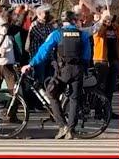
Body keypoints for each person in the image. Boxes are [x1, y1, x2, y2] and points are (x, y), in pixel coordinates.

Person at [22, 11, 91, 139]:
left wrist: (31, 64)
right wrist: (84, 67)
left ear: (62, 22)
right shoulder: (83, 35)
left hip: (62, 71)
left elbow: (44, 50)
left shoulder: (56, 34)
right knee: (74, 99)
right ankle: (71, 130)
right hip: (77, 70)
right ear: (74, 21)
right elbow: (87, 55)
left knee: (51, 93)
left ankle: (62, 125)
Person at [92, 12, 119, 119]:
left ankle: (108, 111)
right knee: (100, 87)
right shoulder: (99, 27)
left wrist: (113, 24)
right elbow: (98, 34)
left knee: (111, 88)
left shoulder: (114, 28)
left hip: (113, 60)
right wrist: (104, 23)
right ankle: (98, 111)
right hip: (101, 61)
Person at [25, 4, 55, 82]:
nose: (48, 15)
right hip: (38, 58)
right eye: (46, 13)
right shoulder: (34, 25)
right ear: (39, 14)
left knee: (50, 80)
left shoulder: (49, 25)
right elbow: (47, 39)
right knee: (39, 80)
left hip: (49, 57)